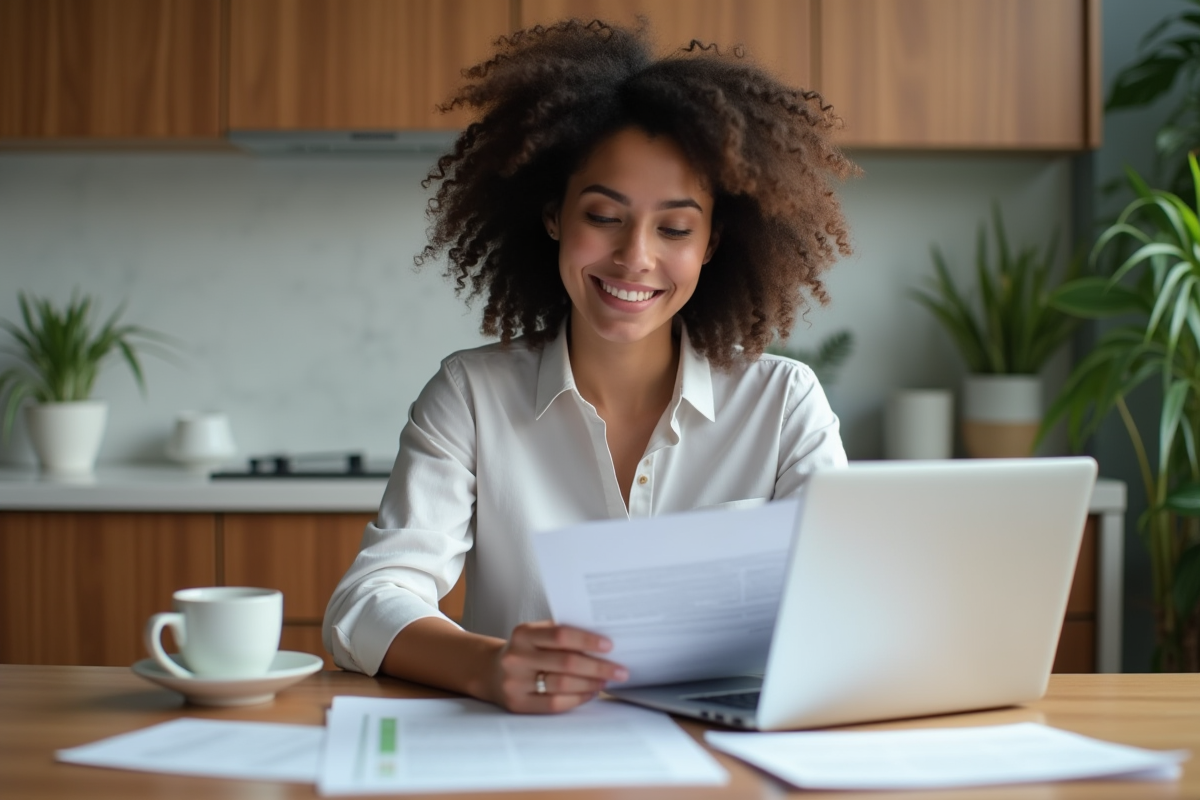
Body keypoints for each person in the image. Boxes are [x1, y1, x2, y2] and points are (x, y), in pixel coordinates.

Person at [323, 19, 858, 714]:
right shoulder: (472, 395)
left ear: (712, 243)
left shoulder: (783, 402)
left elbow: (843, 607)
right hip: (526, 751)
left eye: (674, 227)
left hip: (722, 760)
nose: (635, 257)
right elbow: (366, 602)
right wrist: (489, 667)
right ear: (553, 215)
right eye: (604, 216)